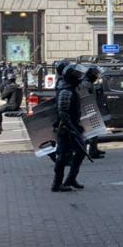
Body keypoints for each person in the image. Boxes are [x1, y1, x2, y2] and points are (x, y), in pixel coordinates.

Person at [52, 63, 86, 192]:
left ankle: (70, 179)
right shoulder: (65, 91)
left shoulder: (70, 88)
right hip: (65, 128)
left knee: (81, 151)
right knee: (62, 156)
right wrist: (72, 128)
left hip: (71, 126)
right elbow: (62, 112)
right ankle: (57, 183)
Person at [0, 71, 23, 136]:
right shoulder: (18, 86)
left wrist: (4, 88)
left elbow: (2, 97)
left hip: (12, 106)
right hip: (16, 105)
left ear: (9, 80)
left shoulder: (10, 87)